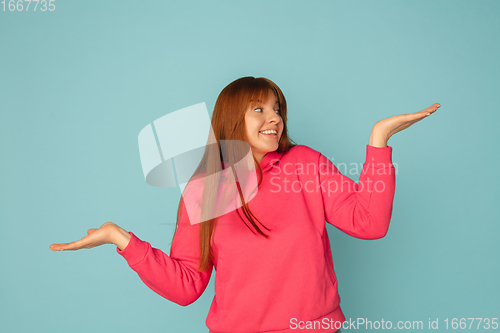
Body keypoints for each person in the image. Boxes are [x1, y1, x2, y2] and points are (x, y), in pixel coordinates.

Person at [50, 77, 440, 332]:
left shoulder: (304, 163)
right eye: (260, 109)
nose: (275, 119)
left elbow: (369, 223)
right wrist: (121, 240)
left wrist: (378, 142)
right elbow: (187, 285)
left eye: (277, 109)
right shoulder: (205, 190)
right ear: (233, 118)